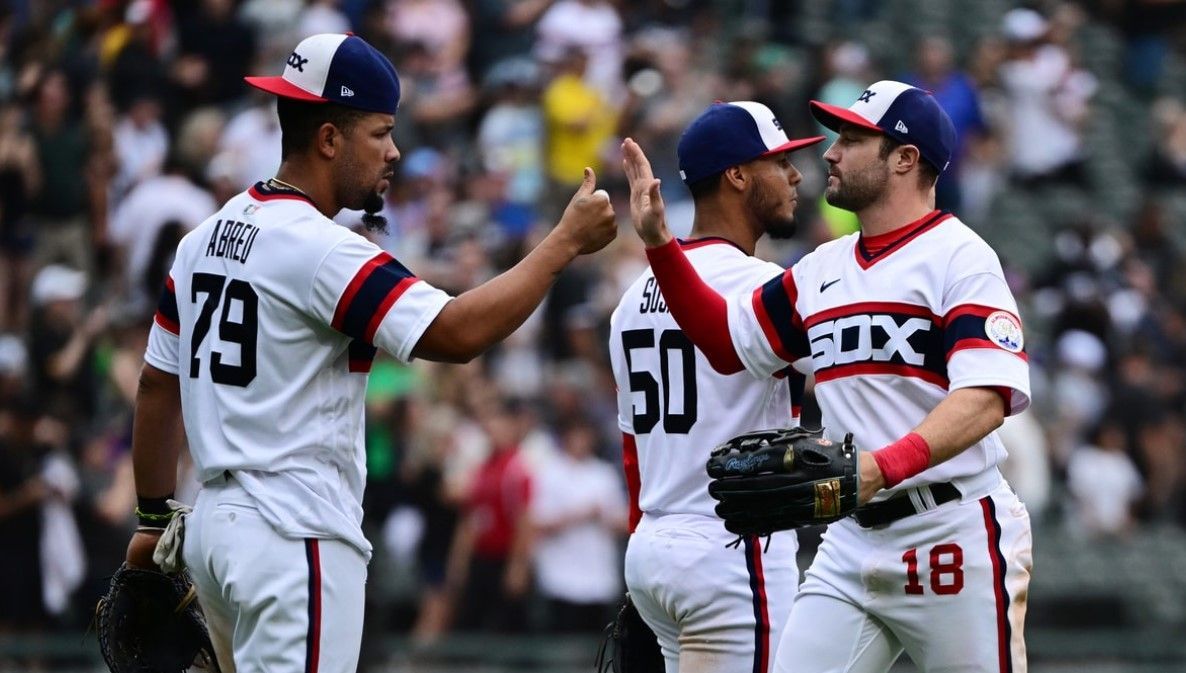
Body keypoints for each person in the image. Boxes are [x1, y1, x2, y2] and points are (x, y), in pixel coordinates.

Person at [122, 33, 615, 673]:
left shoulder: (202, 238)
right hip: (292, 532)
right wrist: (564, 243)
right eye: (380, 133)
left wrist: (153, 518)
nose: (395, 151)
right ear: (329, 138)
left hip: (215, 529)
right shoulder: (320, 248)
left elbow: (157, 388)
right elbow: (456, 333)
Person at [623, 80, 1033, 673]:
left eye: (851, 139)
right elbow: (725, 342)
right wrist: (662, 245)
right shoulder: (822, 268)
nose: (830, 153)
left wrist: (880, 467)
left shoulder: (960, 256)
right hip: (851, 540)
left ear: (905, 158)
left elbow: (987, 397)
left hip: (952, 533)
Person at [610, 101, 822, 672]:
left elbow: (633, 452)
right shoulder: (765, 288)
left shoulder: (632, 298)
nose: (796, 175)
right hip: (731, 548)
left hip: (654, 545)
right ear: (738, 175)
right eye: (780, 162)